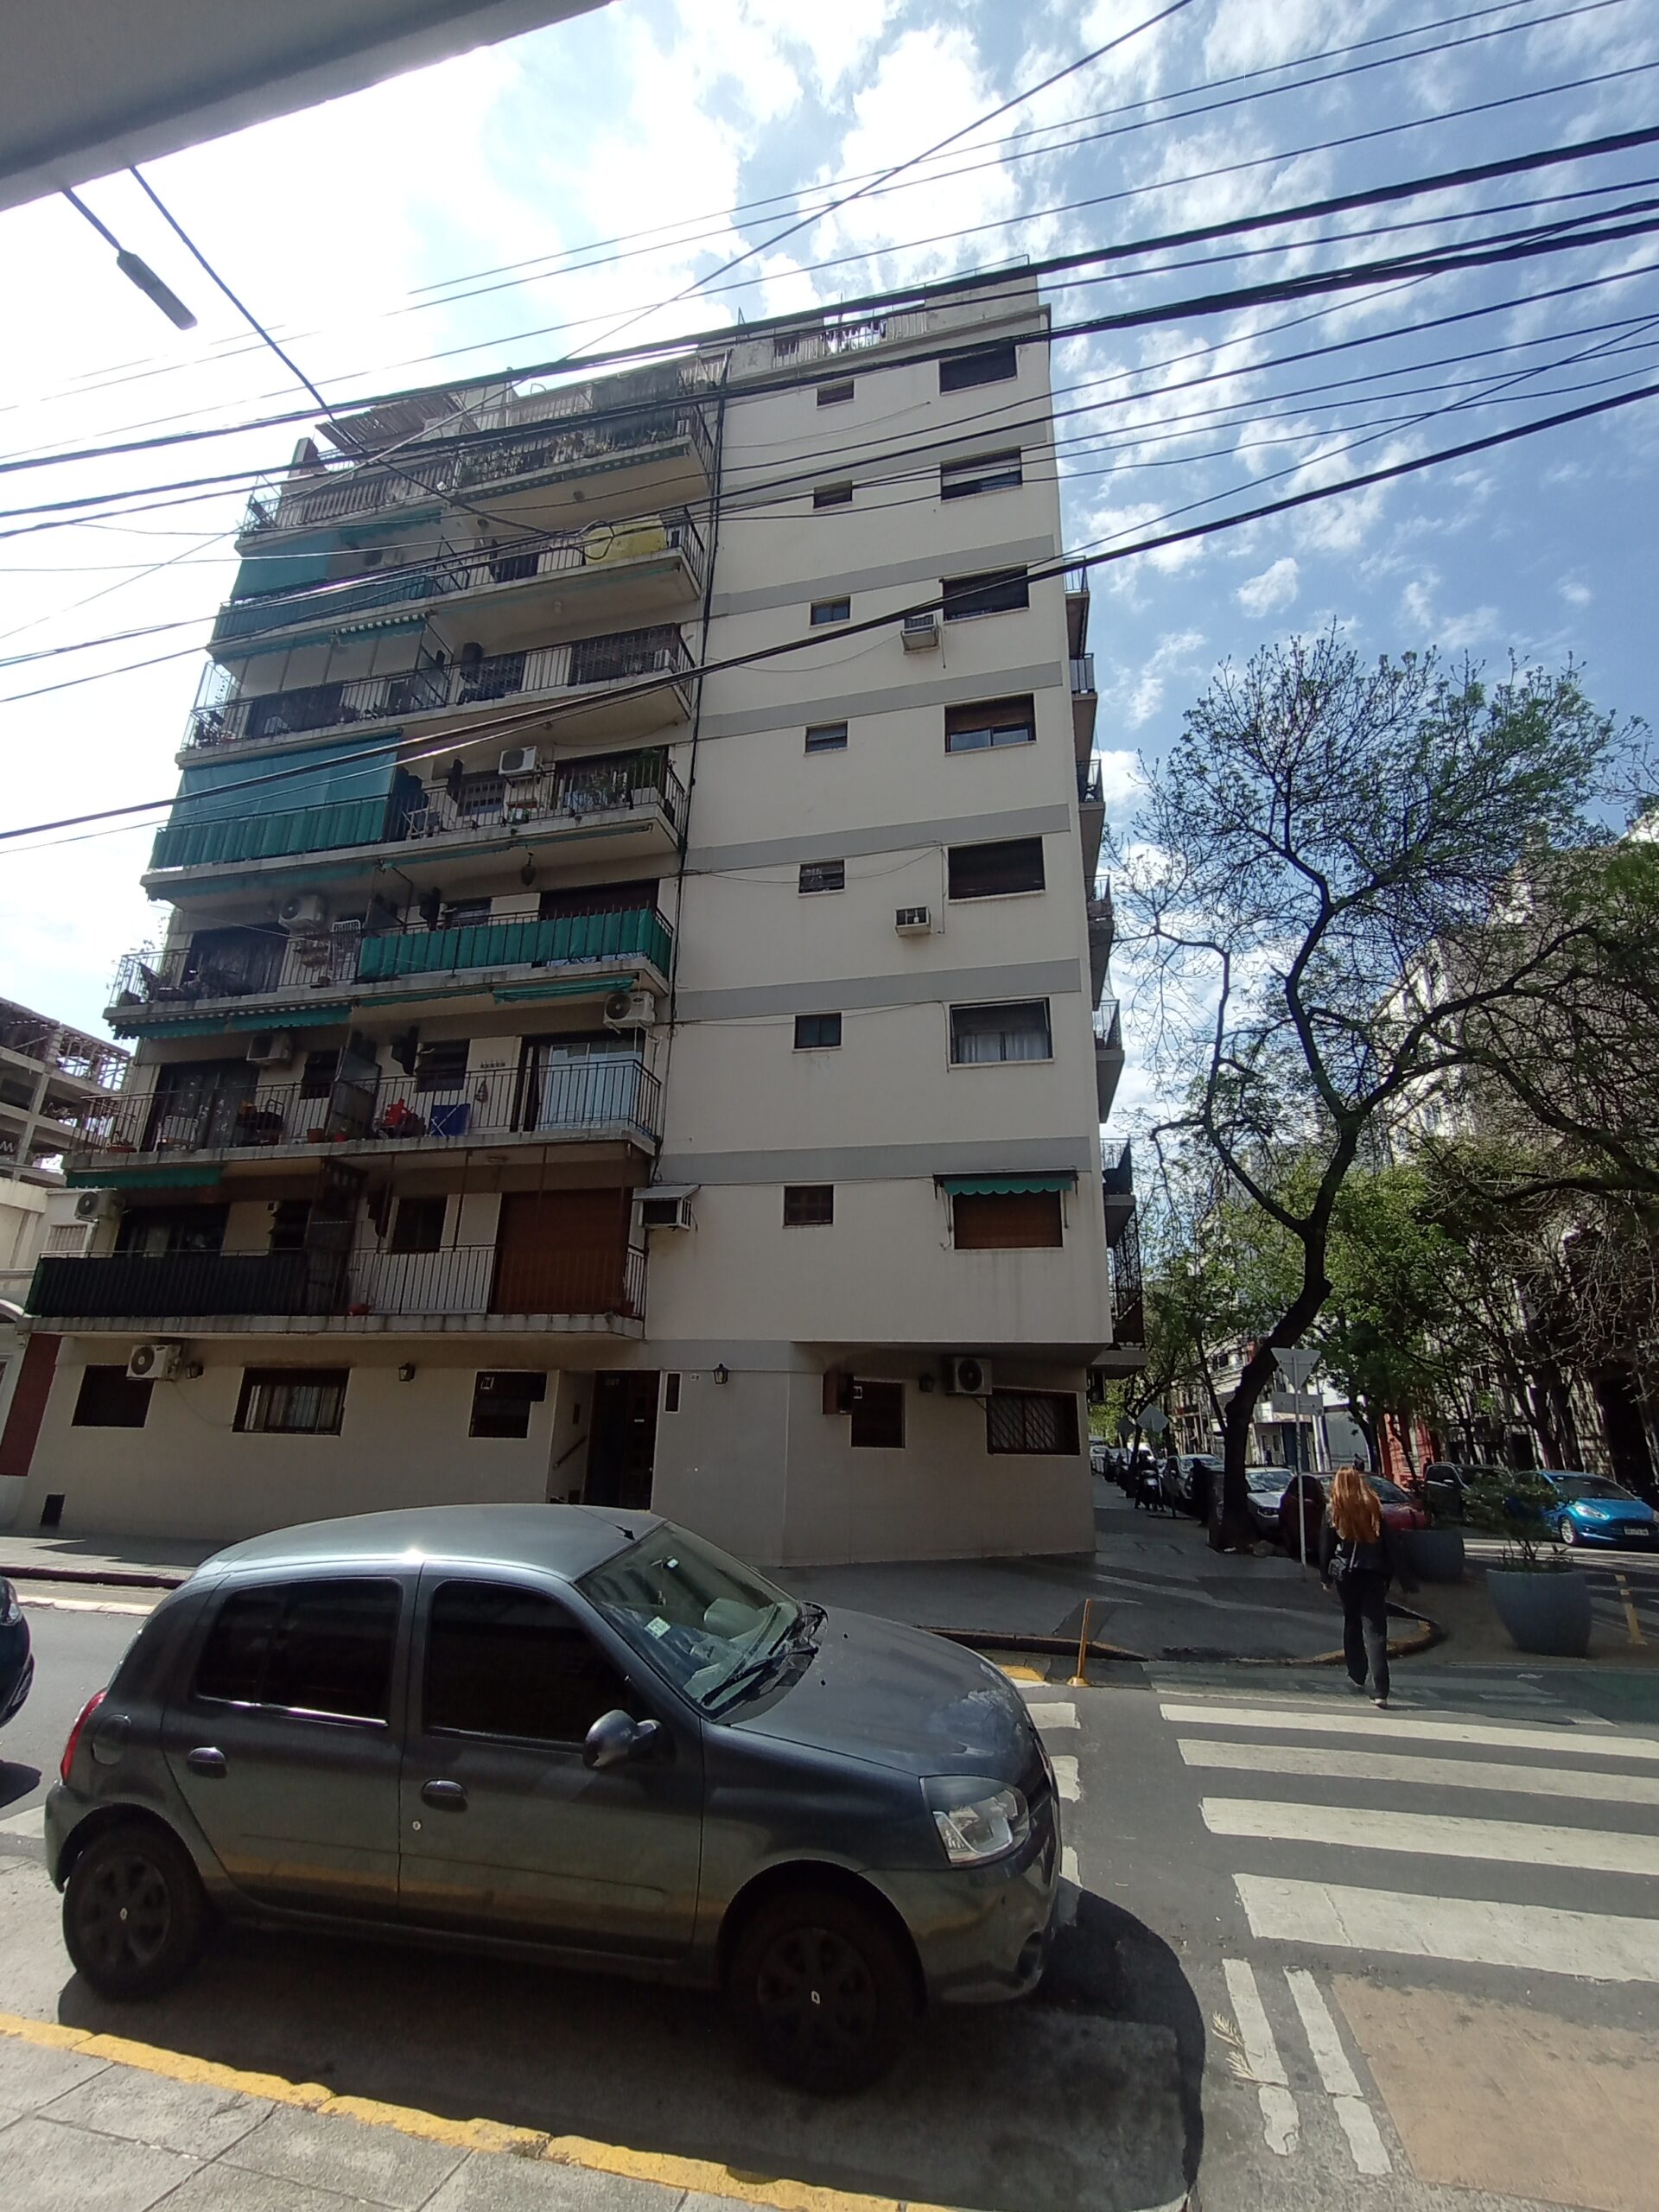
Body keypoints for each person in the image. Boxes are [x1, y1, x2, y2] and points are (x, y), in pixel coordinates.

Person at [1320, 1463, 1417, 1707]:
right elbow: (1391, 1545)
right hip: (1373, 1573)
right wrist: (1404, 1578)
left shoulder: (1334, 1509)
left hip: (1346, 1574)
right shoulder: (1373, 1507)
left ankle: (1356, 1673)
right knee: (1376, 1630)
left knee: (1352, 1621)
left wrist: (1325, 1576)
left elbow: (1325, 1546)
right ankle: (1380, 1690)